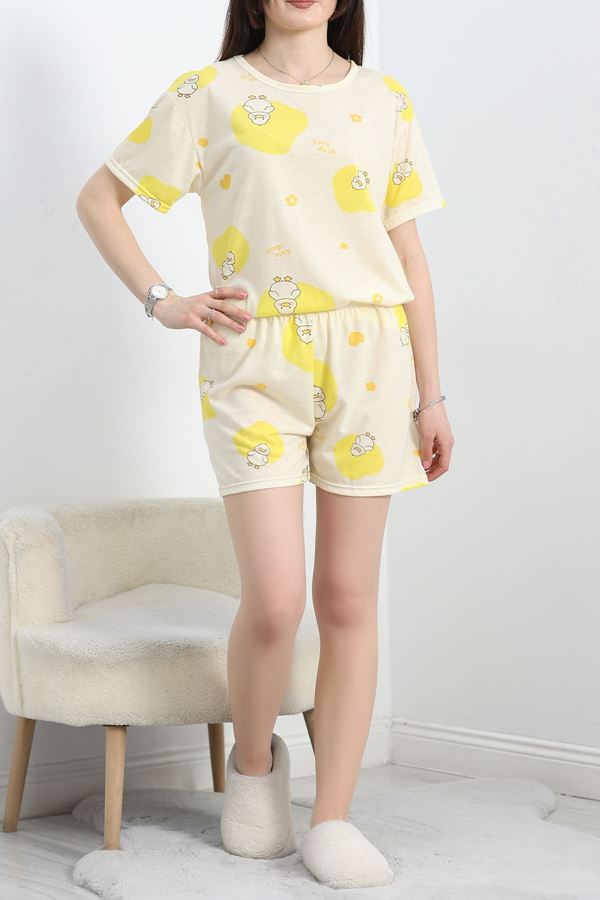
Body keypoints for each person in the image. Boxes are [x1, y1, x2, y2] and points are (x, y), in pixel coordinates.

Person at [76, 0, 454, 889]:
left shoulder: (385, 100)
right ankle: (253, 773)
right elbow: (100, 199)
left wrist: (432, 394)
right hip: (251, 362)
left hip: (371, 360)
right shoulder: (207, 94)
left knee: (349, 596)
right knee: (276, 599)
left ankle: (334, 817)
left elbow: (410, 258)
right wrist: (163, 300)